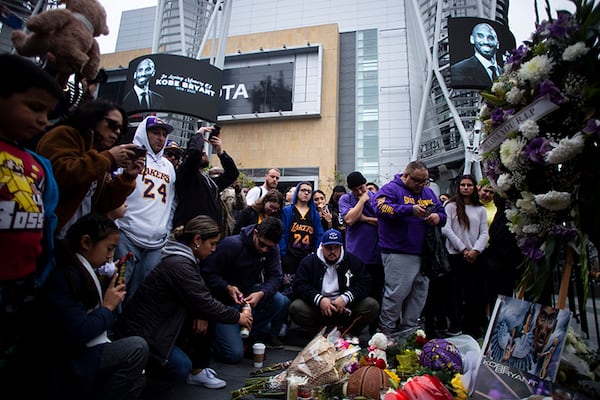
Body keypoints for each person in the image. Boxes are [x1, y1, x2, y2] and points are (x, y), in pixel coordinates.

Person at [114, 216, 252, 389]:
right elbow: (204, 302)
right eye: (212, 244)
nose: (214, 250)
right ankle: (146, 373)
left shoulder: (186, 260)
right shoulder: (180, 265)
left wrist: (204, 310)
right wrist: (237, 317)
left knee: (205, 320)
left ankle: (198, 369)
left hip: (166, 322)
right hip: (148, 332)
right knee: (181, 367)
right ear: (197, 240)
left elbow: (198, 296)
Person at [0, 54, 63, 393]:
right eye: (34, 107)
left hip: (24, 286)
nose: (43, 120)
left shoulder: (39, 166)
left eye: (48, 113)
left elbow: (47, 224)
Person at [39, 213, 149, 399]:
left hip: (81, 353)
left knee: (138, 380)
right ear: (86, 243)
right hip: (70, 362)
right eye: (109, 248)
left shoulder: (83, 270)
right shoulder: (67, 277)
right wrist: (108, 307)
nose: (110, 256)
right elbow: (79, 331)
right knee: (137, 348)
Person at [37, 99, 143, 238]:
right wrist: (108, 158)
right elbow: (61, 174)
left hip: (75, 239)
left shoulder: (98, 154)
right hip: (49, 233)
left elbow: (103, 204)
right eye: (112, 125)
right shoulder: (66, 134)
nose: (116, 132)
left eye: (120, 129)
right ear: (93, 117)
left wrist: (127, 177)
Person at [373, 161, 446, 340]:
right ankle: (385, 334)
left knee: (419, 295)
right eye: (417, 181)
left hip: (425, 252)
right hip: (398, 250)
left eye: (424, 181)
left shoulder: (428, 192)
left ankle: (409, 334)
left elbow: (443, 213)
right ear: (406, 175)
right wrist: (409, 210)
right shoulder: (390, 189)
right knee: (396, 294)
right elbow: (380, 207)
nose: (421, 185)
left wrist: (438, 217)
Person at [202, 217, 289, 361]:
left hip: (247, 293)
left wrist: (261, 293)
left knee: (280, 300)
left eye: (269, 247)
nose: (264, 250)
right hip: (223, 299)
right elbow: (207, 273)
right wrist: (227, 287)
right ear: (255, 233)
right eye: (262, 245)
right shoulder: (232, 245)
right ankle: (217, 337)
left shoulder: (272, 249)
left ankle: (248, 335)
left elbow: (276, 277)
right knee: (234, 355)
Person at [114, 116, 177, 302]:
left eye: (164, 134)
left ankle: (130, 330)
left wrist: (167, 230)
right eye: (155, 132)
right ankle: (109, 329)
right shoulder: (128, 155)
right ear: (143, 132)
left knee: (141, 293)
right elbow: (115, 190)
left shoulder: (168, 167)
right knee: (117, 287)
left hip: (155, 243)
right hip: (127, 236)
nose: (161, 138)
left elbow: (171, 203)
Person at [289, 229, 379, 338]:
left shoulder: (352, 261)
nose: (333, 251)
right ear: (322, 246)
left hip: (345, 309)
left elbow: (365, 283)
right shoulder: (309, 262)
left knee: (371, 305)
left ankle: (347, 334)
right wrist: (319, 299)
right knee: (296, 307)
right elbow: (299, 285)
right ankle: (319, 334)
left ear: (341, 247)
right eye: (329, 248)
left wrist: (346, 298)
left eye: (336, 248)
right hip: (319, 309)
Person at [441, 174, 489, 338]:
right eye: (463, 185)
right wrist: (463, 249)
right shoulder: (451, 206)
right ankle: (455, 325)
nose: (466, 188)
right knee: (454, 293)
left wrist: (475, 250)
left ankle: (473, 327)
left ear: (474, 187)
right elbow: (446, 229)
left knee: (474, 293)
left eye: (469, 185)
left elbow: (484, 233)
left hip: (475, 257)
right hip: (455, 256)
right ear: (458, 187)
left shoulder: (480, 209)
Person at [173, 125, 239, 234]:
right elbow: (195, 154)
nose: (203, 152)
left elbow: (232, 174)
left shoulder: (210, 182)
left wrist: (220, 152)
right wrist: (199, 134)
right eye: (201, 149)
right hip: (191, 234)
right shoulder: (187, 175)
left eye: (204, 150)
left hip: (210, 236)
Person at [338, 171, 382, 334]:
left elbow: (382, 222)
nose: (359, 191)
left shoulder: (377, 197)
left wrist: (363, 218)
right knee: (352, 293)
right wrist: (362, 200)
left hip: (375, 256)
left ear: (366, 183)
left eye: (361, 187)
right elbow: (349, 220)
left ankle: (374, 330)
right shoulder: (345, 199)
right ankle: (351, 330)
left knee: (376, 294)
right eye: (355, 189)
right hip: (354, 255)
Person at [279, 181, 324, 298]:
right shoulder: (288, 211)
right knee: (288, 289)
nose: (306, 193)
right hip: (290, 256)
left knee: (305, 286)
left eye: (309, 191)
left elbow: (319, 234)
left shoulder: (314, 214)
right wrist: (283, 253)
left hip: (307, 256)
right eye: (303, 190)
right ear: (297, 192)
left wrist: (316, 253)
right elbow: (282, 233)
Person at [450, 22, 502, 89]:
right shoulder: (458, 70)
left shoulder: (505, 72)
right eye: (480, 36)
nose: (485, 42)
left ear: (497, 44)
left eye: (491, 38)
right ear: (472, 39)